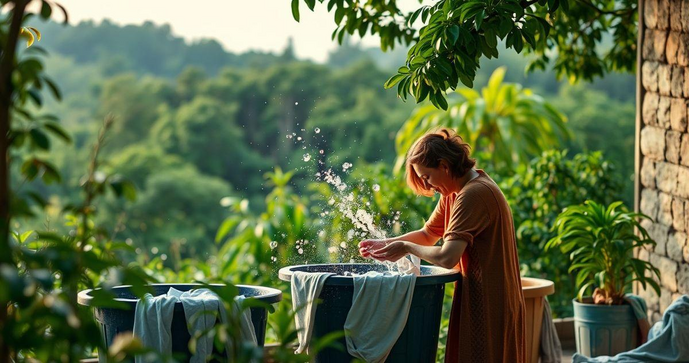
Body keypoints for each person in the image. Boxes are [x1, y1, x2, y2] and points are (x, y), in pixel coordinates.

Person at [359, 128, 525, 363]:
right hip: (480, 297)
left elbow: (447, 257)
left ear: (444, 166)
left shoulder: (474, 195)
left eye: (426, 177)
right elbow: (428, 234)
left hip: (491, 302)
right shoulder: (454, 193)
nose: (427, 186)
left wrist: (405, 248)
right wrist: (385, 244)